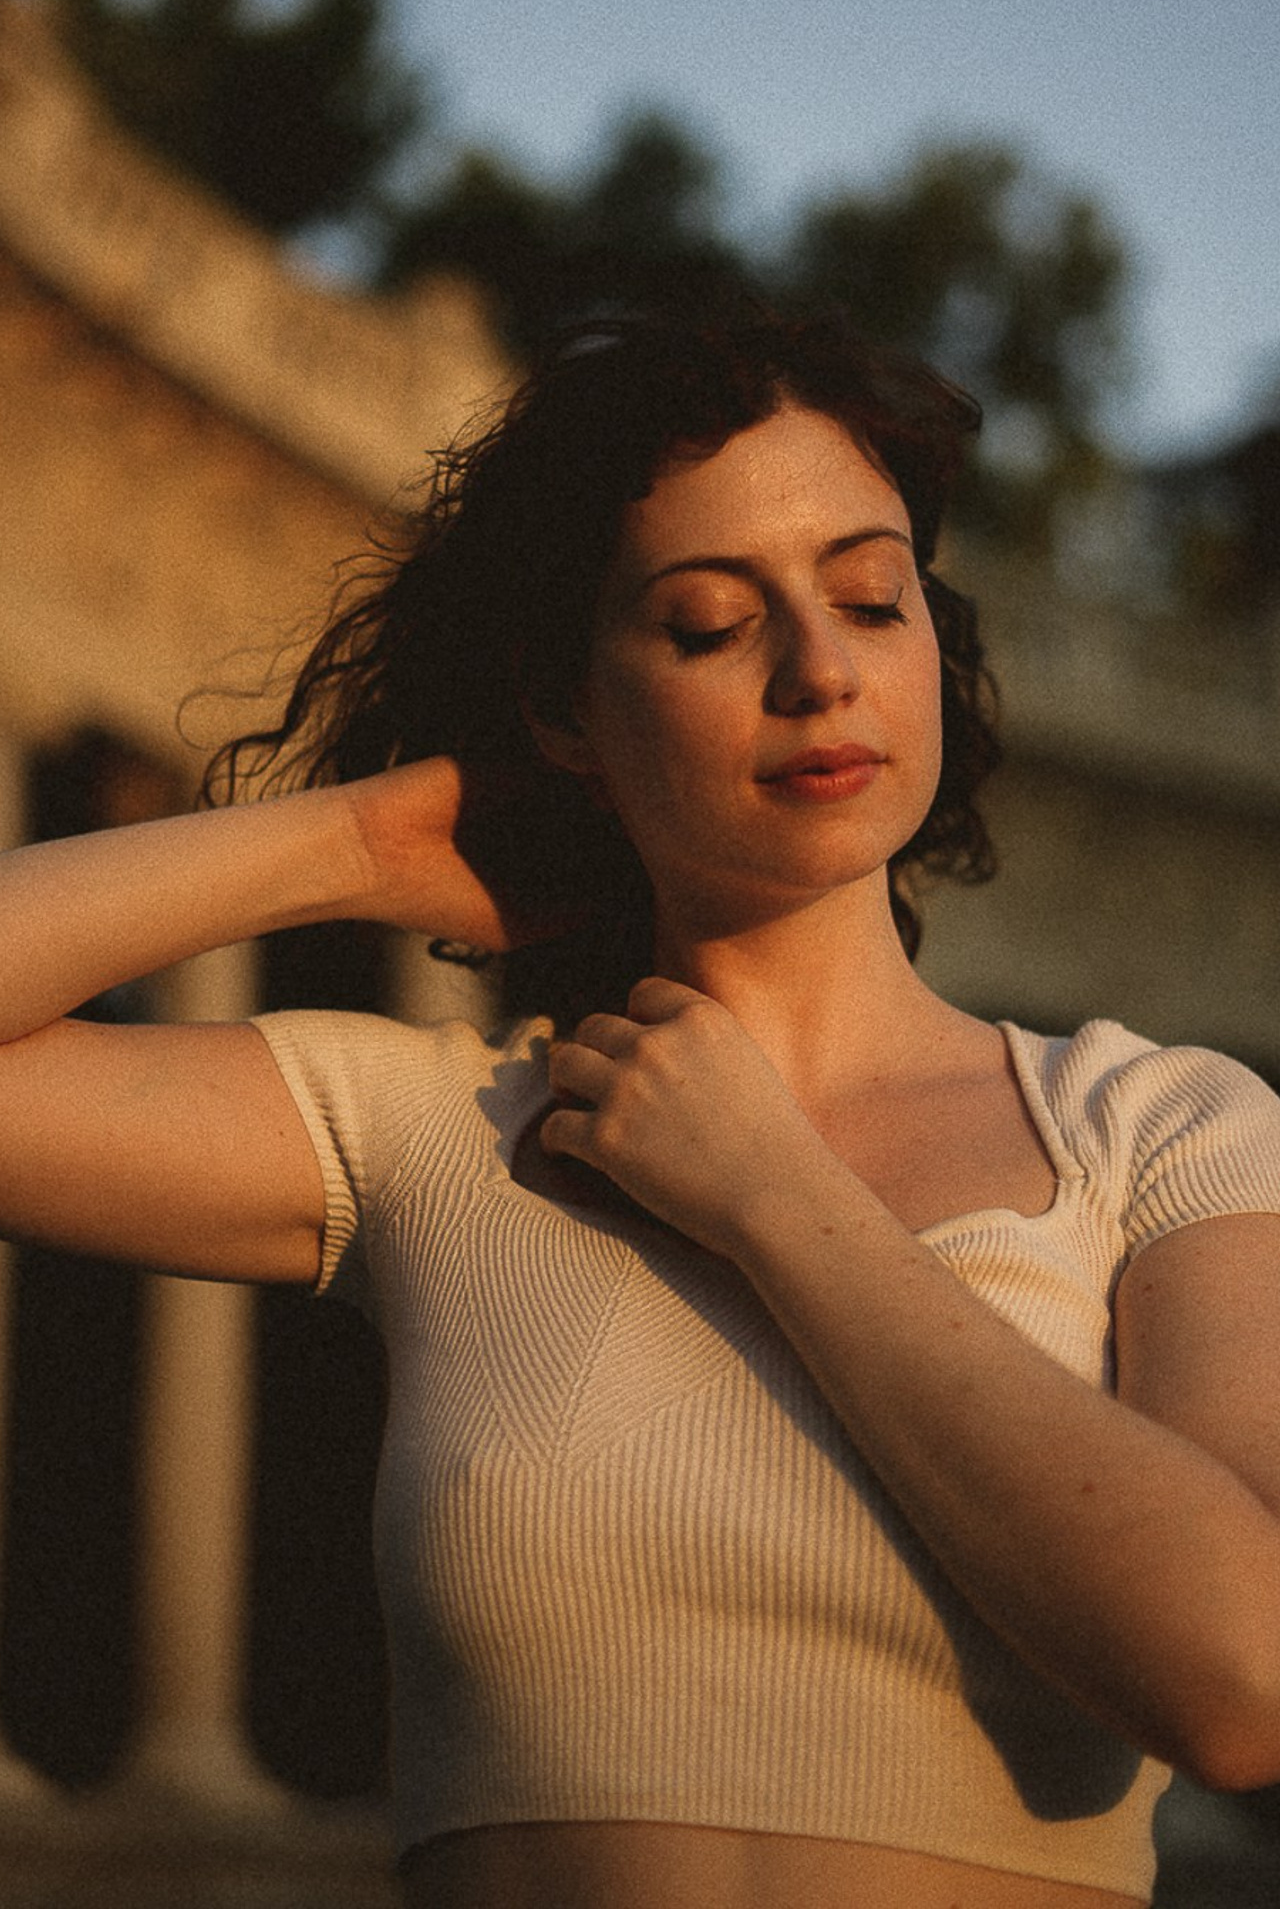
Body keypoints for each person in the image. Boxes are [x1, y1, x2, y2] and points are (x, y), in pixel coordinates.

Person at [3, 309, 1280, 1909]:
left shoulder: (1157, 1130)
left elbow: (1241, 1680)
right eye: (707, 624)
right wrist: (362, 841)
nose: (823, 670)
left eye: (873, 597)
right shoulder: (436, 1130)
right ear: (563, 711)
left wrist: (777, 1200)